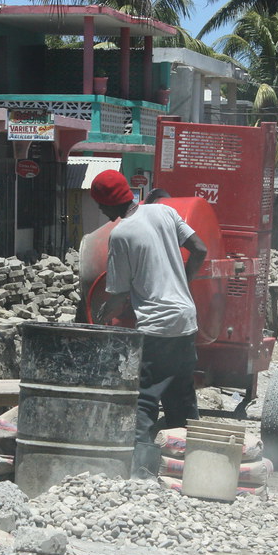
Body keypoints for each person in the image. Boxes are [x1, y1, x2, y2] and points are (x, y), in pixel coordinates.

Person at [89, 169, 207, 479]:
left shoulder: (121, 234)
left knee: (144, 398)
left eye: (101, 206)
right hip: (185, 320)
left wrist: (99, 320)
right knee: (181, 398)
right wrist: (183, 281)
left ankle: (139, 474)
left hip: (155, 326)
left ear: (108, 205)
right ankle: (193, 470)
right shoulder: (164, 212)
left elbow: (117, 296)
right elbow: (200, 249)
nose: (101, 212)